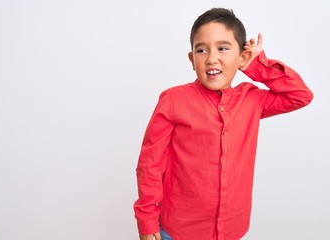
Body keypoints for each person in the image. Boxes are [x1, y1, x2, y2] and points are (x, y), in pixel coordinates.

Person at [133, 8, 313, 240]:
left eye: (223, 48)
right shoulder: (173, 100)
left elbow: (300, 96)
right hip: (179, 230)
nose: (211, 58)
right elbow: (150, 164)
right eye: (201, 50)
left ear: (241, 57)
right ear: (192, 59)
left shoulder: (251, 100)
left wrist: (257, 67)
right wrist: (146, 219)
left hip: (232, 228)